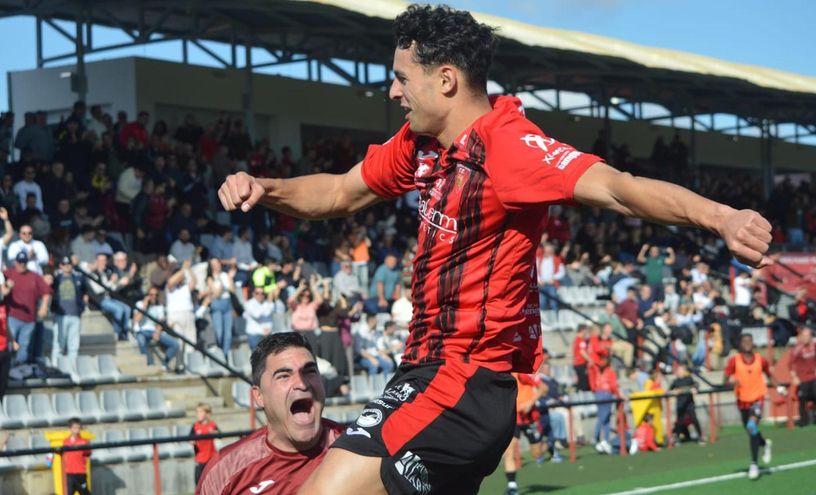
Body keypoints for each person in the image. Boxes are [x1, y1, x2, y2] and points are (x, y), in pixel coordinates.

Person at [218, 5, 773, 493]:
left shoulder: (509, 146)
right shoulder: (419, 145)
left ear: (446, 80)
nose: (392, 92)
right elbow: (340, 191)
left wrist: (721, 216)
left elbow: (618, 188)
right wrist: (264, 189)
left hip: (461, 384)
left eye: (400, 79)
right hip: (425, 375)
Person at [197, 332, 344, 495]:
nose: (302, 384)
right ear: (259, 396)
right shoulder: (225, 470)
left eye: (309, 371)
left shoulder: (357, 451)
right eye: (284, 376)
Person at [724, 333, 776, 480]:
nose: (747, 343)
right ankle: (765, 443)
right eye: (744, 341)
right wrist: (732, 383)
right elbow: (725, 379)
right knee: (750, 430)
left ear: (753, 343)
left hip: (757, 398)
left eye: (749, 341)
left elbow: (769, 374)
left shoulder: (760, 359)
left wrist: (779, 387)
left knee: (752, 426)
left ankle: (754, 464)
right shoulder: (734, 360)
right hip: (742, 400)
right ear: (740, 344)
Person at [502, 373, 550, 495]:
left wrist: (530, 402)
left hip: (529, 418)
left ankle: (549, 445)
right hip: (513, 418)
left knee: (536, 454)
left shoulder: (522, 373)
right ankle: (512, 486)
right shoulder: (500, 374)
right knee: (509, 452)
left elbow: (544, 388)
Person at [3, 252, 51, 364]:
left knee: (24, 345)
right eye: (19, 262)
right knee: (10, 343)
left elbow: (46, 291)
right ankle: (7, 369)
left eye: (24, 262)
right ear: (15, 262)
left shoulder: (34, 276)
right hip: (13, 316)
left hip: (30, 318)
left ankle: (21, 369)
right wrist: (6, 286)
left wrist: (44, 306)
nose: (22, 265)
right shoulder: (8, 273)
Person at [132, 287, 180, 371]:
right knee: (142, 342)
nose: (153, 297)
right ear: (147, 295)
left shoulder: (159, 307)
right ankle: (147, 366)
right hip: (141, 331)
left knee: (175, 344)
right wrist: (145, 305)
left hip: (154, 331)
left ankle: (164, 364)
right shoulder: (140, 304)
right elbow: (136, 319)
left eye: (156, 295)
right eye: (151, 295)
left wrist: (157, 332)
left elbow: (160, 322)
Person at [51, 256, 87, 364]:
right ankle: (55, 366)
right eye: (64, 265)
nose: (67, 267)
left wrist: (83, 305)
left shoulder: (78, 278)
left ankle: (72, 366)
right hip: (60, 314)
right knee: (58, 342)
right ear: (60, 266)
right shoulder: (56, 279)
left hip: (75, 314)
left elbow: (85, 291)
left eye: (69, 265)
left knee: (74, 344)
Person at [669, 362, 704, 444]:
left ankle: (700, 436)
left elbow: (696, 384)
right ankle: (677, 438)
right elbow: (669, 390)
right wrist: (673, 392)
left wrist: (695, 388)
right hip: (680, 404)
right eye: (678, 370)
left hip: (689, 403)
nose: (679, 371)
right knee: (679, 421)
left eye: (681, 370)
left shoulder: (689, 379)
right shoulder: (676, 381)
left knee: (694, 419)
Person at [789, 326, 815, 427]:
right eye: (804, 336)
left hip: (813, 378)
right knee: (802, 399)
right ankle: (803, 421)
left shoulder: (814, 346)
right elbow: (790, 365)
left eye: (808, 336)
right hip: (802, 379)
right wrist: (794, 377)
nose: (806, 338)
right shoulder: (797, 349)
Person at [190, 403, 220, 485]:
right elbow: (190, 439)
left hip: (212, 458)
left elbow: (220, 435)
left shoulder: (212, 425)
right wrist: (192, 441)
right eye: (197, 412)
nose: (198, 414)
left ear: (207, 413)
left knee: (213, 482)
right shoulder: (195, 426)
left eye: (200, 412)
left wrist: (215, 433)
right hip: (200, 459)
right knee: (199, 482)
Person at [62, 418, 92, 495]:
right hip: (69, 473)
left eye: (79, 428)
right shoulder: (65, 441)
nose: (77, 430)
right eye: (75, 428)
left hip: (80, 473)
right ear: (70, 429)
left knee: (85, 492)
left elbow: (89, 453)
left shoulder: (84, 441)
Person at [572, 324, 590, 391]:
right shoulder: (580, 340)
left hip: (577, 364)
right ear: (582, 330)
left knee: (580, 381)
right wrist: (590, 360)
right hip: (580, 364)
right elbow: (582, 352)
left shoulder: (576, 339)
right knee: (583, 382)